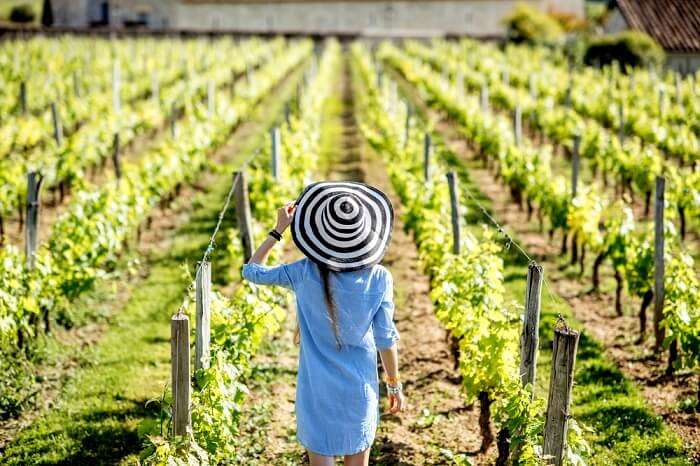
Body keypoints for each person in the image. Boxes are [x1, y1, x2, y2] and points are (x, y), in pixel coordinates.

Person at [242, 181, 405, 466]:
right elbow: (385, 338)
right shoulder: (379, 277)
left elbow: (252, 271)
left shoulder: (304, 272)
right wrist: (393, 385)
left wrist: (278, 229)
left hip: (316, 392)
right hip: (360, 390)